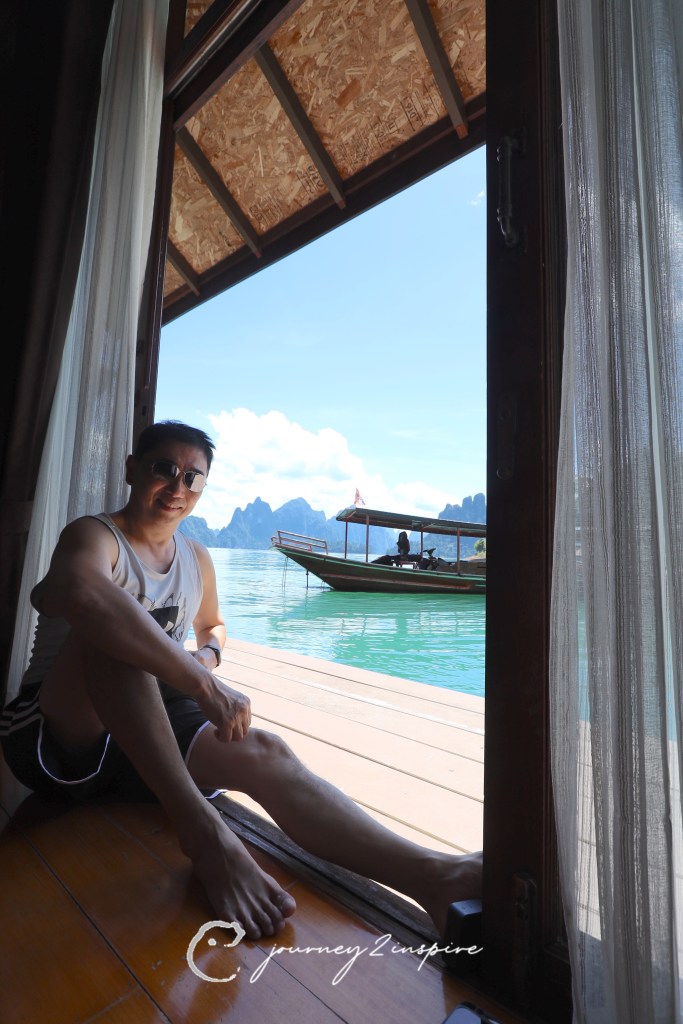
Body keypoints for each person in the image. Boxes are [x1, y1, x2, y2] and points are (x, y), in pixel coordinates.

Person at [0, 421, 481, 942]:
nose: (178, 486)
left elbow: (213, 626)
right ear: (132, 469)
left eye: (193, 477)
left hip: (145, 732)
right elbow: (79, 590)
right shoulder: (95, 536)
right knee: (112, 632)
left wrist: (207, 655)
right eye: (164, 468)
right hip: (56, 735)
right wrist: (202, 686)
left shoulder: (196, 558)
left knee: (266, 752)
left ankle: (434, 877)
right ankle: (204, 832)